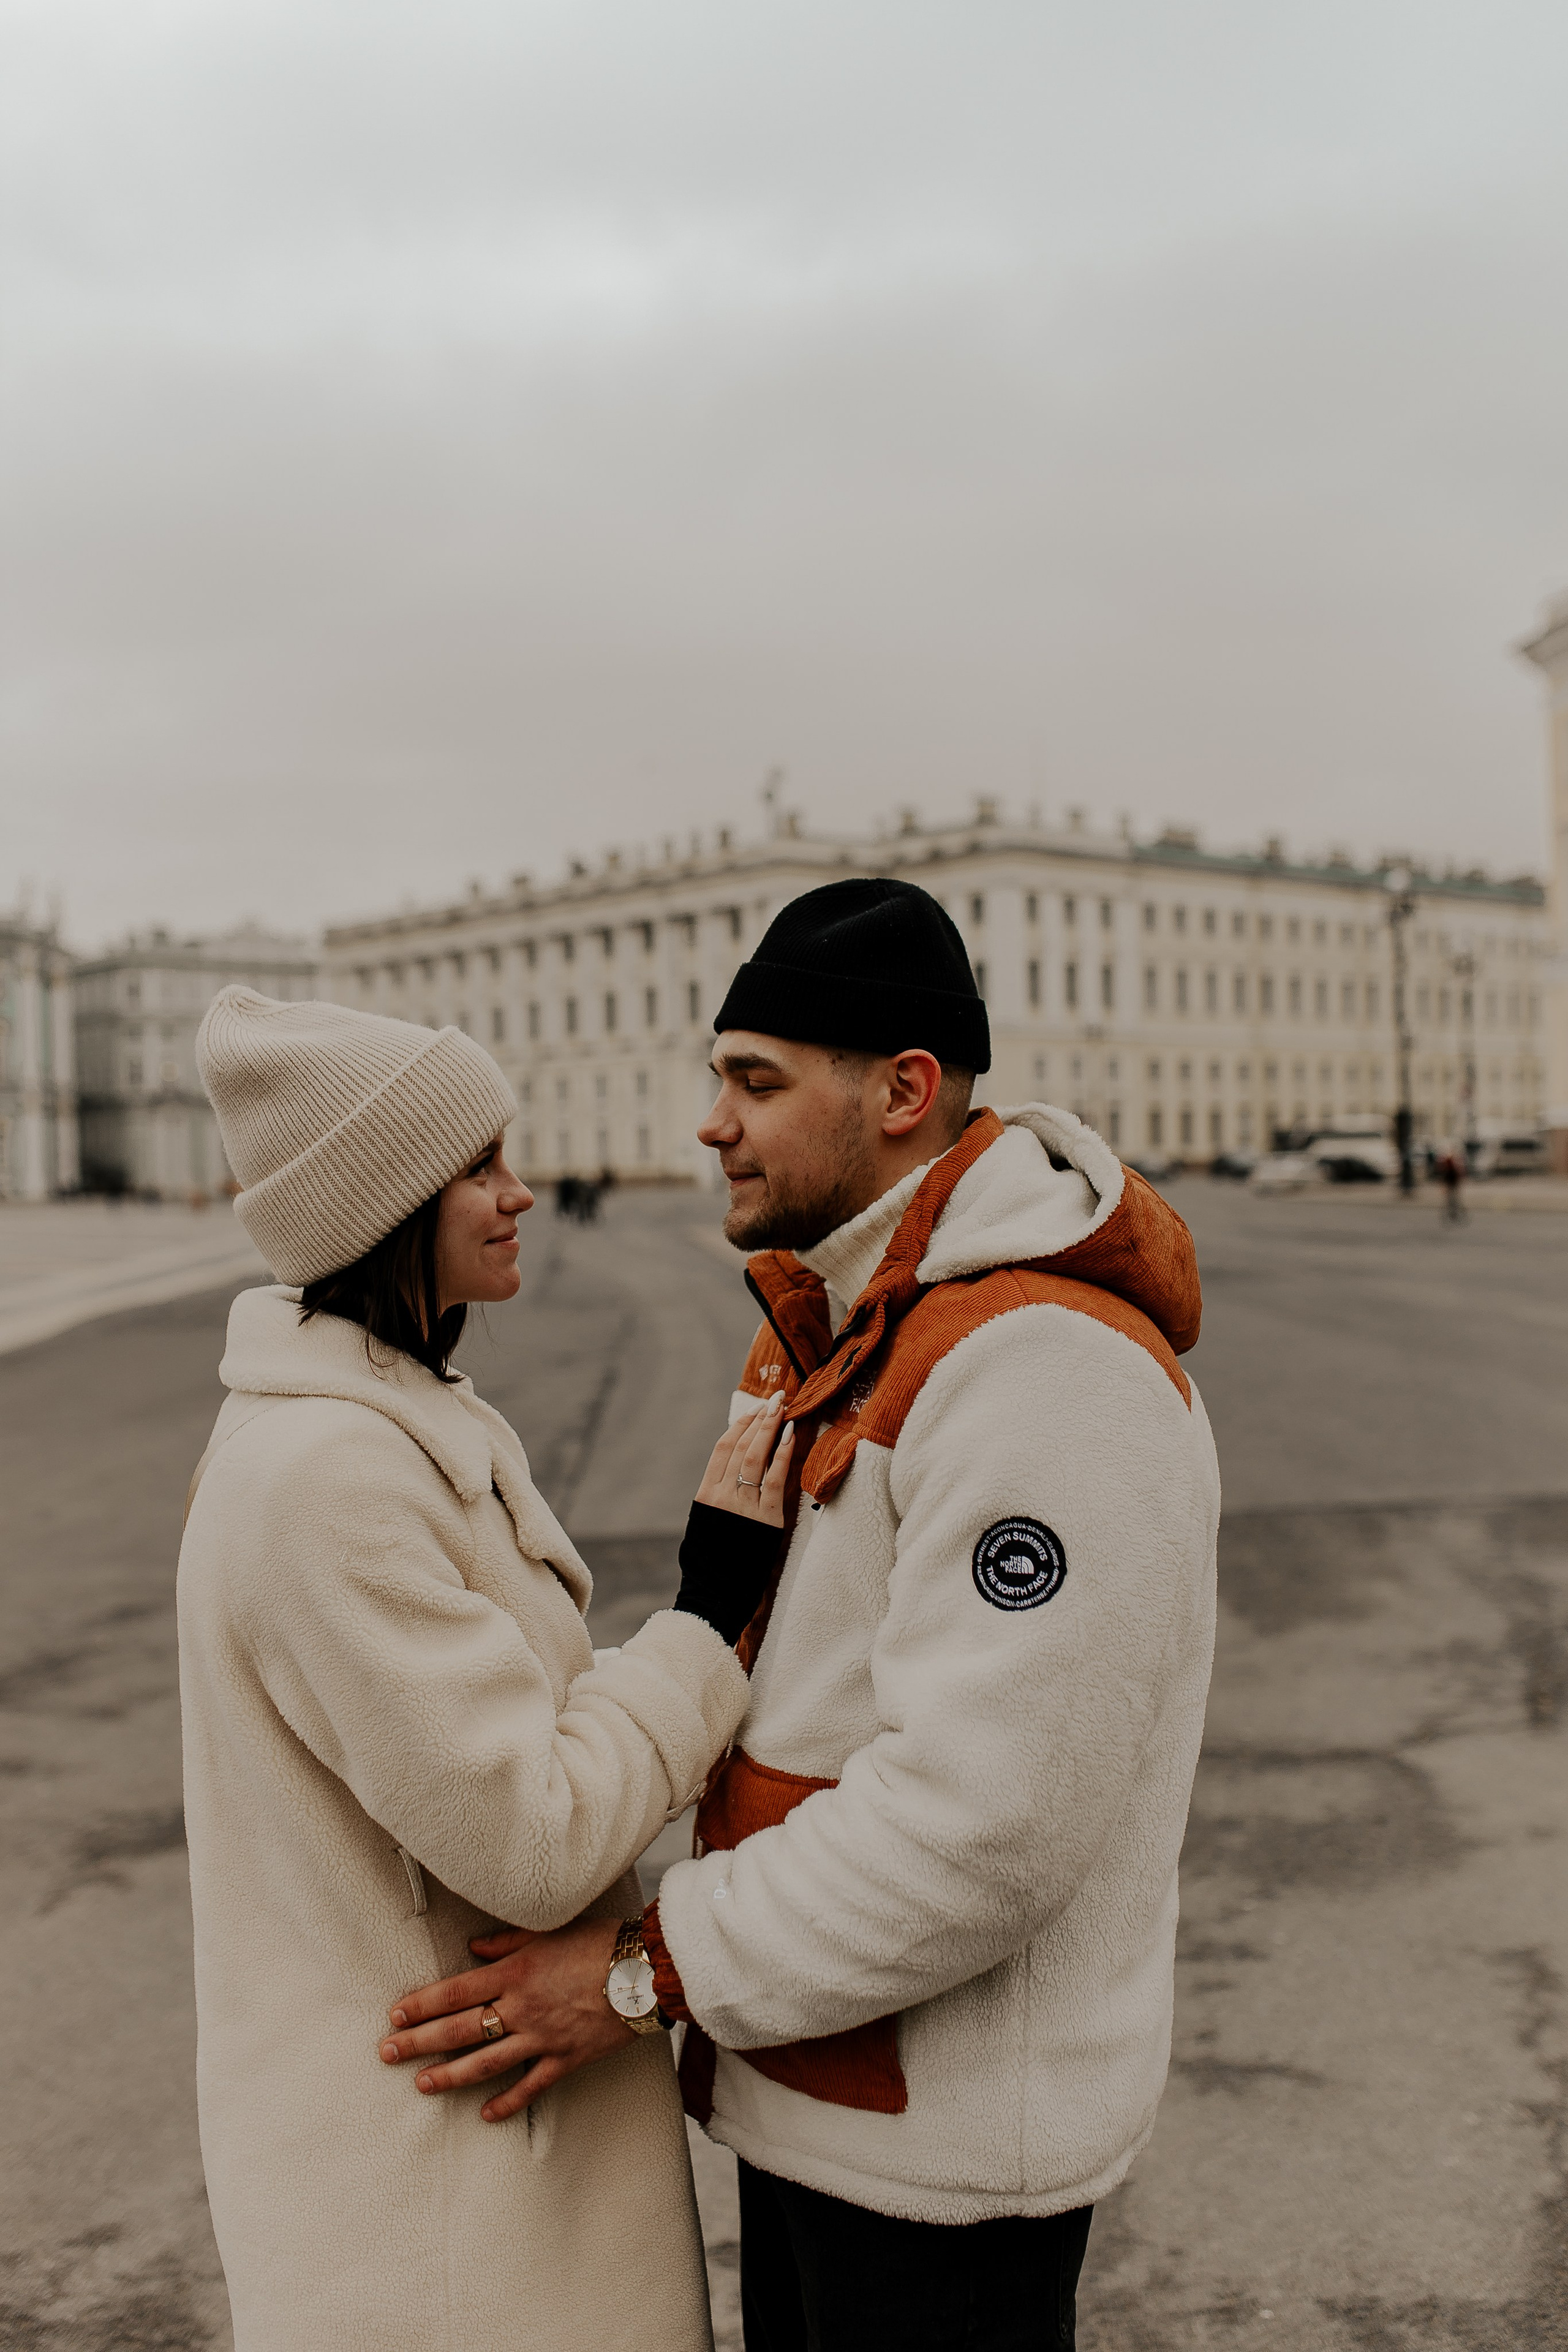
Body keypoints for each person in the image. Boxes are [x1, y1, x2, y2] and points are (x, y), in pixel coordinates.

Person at [385, 878, 1220, 2352]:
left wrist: (643, 1972)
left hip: (939, 2167)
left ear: (901, 1091)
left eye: (755, 1083)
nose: (711, 1123)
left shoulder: (1041, 1367)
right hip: (822, 2090)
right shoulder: (848, 1323)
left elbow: (982, 1827)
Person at [178, 989, 791, 2352]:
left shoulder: (379, 1425)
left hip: (471, 2167)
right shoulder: (328, 1478)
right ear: (385, 1206)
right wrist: (707, 1615)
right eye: (480, 1166)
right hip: (447, 2213)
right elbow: (533, 1837)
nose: (521, 1193)